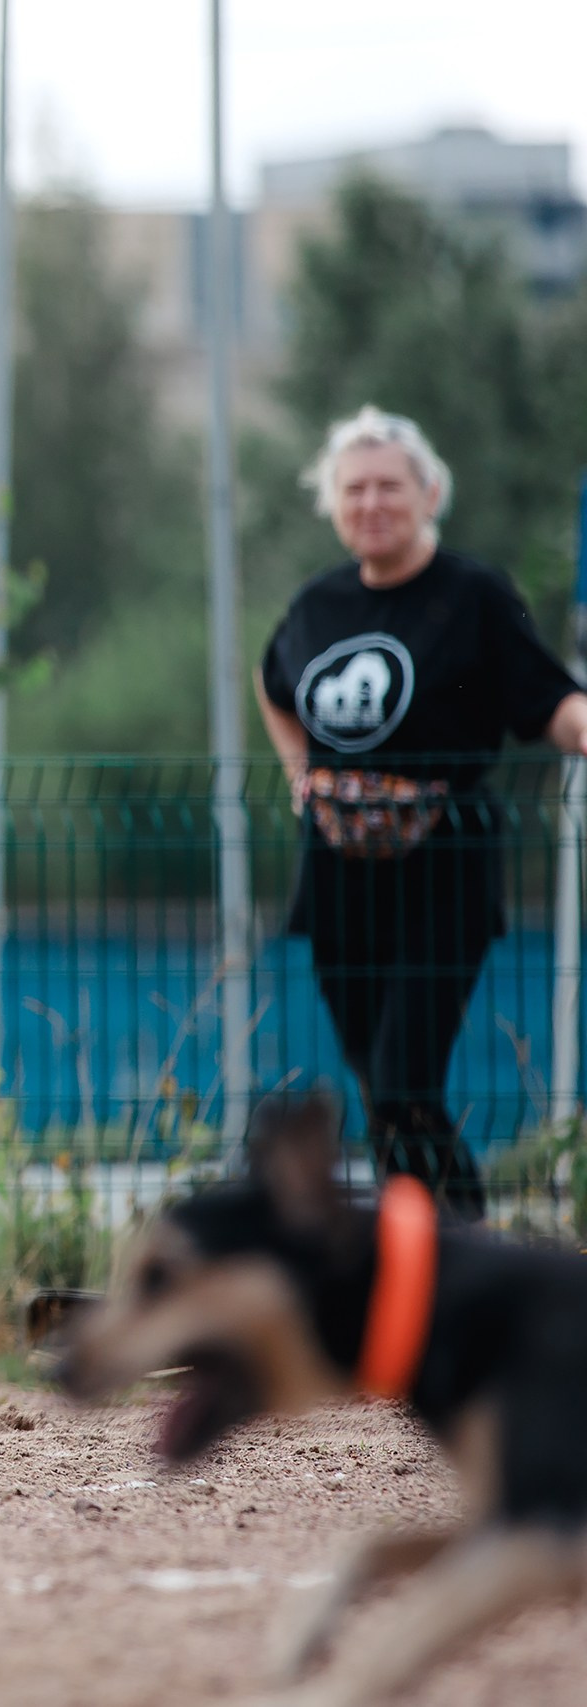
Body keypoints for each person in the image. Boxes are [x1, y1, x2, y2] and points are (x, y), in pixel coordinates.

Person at [256, 407, 587, 1221]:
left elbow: (547, 700)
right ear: (333, 503)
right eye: (354, 488)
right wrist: (300, 772)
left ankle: (462, 1251)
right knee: (378, 1090)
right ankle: (432, 1258)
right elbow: (274, 687)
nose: (372, 503)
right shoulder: (317, 605)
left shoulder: (472, 596)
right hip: (339, 878)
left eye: (388, 486)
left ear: (429, 491)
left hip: (444, 874)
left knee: (407, 1080)